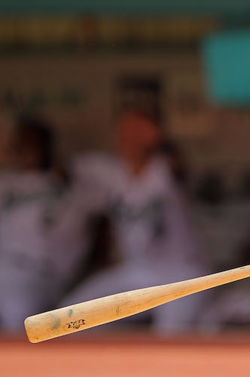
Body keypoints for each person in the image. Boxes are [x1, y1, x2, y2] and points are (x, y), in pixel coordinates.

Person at [60, 106, 207, 335]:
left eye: (137, 131)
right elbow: (59, 171)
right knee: (68, 319)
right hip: (137, 272)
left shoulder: (165, 169)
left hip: (182, 275)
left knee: (170, 340)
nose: (128, 138)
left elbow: (180, 168)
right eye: (124, 131)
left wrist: (163, 142)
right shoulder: (113, 173)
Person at [0, 118, 91, 334]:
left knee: (18, 317)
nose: (25, 150)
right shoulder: (4, 182)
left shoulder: (69, 184)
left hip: (37, 279)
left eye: (31, 143)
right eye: (20, 144)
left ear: (47, 147)